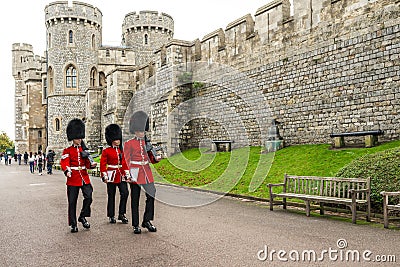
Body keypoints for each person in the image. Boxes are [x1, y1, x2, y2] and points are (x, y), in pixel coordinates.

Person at [124, 111, 161, 234]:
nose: (142, 133)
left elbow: (151, 158)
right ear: (135, 131)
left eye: (143, 131)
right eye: (140, 131)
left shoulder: (147, 143)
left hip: (146, 172)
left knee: (152, 193)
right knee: (135, 198)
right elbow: (126, 161)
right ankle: (135, 224)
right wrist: (128, 174)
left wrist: (156, 159)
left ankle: (147, 220)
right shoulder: (129, 144)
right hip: (135, 171)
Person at [60, 118, 97, 233]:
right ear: (72, 138)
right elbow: (64, 162)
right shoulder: (68, 150)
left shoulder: (84, 150)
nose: (79, 139)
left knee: (89, 197)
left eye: (80, 137)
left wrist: (92, 165)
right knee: (72, 202)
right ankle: (73, 224)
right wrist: (67, 170)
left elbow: (87, 163)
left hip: (84, 177)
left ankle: (82, 216)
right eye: (77, 138)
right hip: (73, 178)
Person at [100, 124, 129, 224]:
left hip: (121, 175)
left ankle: (122, 214)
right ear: (111, 140)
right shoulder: (106, 151)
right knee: (111, 195)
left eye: (118, 139)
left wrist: (127, 174)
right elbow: (103, 165)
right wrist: (104, 176)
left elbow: (125, 164)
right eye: (116, 139)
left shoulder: (122, 150)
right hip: (111, 175)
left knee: (125, 193)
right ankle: (111, 215)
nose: (118, 141)